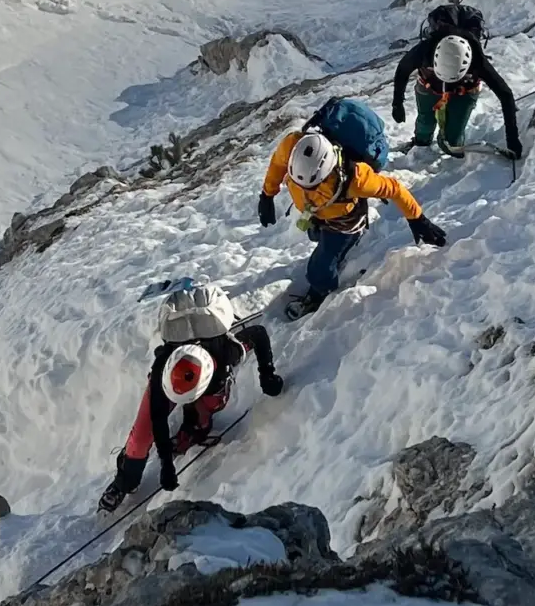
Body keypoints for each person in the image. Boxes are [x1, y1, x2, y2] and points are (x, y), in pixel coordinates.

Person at [98, 280, 282, 513]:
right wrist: (166, 465)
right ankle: (126, 481)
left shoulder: (227, 352)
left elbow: (258, 334)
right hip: (176, 377)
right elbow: (156, 419)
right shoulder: (162, 369)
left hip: (209, 380)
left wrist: (267, 374)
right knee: (140, 438)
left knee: (211, 403)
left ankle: (195, 427)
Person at [258, 128, 446, 319]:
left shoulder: (356, 179)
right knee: (315, 236)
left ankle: (319, 292)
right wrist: (267, 194)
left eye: (312, 185)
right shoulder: (292, 145)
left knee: (320, 265)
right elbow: (277, 164)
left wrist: (417, 219)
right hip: (318, 213)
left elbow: (394, 189)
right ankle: (336, 249)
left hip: (343, 224)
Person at [392, 28, 521, 159]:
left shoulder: (478, 61)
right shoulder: (423, 51)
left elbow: (505, 94)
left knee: (453, 138)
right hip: (429, 85)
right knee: (425, 121)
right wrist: (397, 104)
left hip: (464, 90)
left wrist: (512, 140)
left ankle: (452, 150)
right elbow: (403, 70)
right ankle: (420, 142)